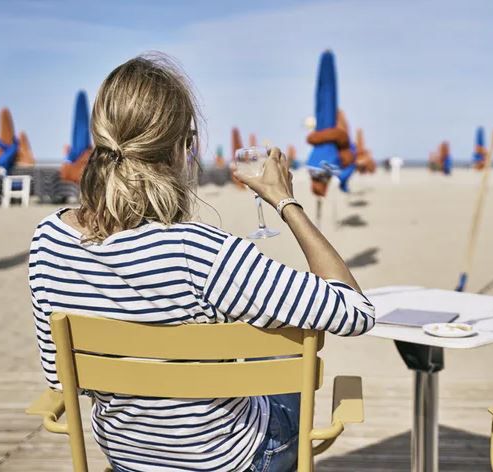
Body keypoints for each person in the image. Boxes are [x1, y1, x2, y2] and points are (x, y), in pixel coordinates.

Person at [28, 54, 375, 472]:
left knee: (265, 360)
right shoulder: (200, 252)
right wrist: (285, 201)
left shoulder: (48, 240)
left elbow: (59, 378)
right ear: (183, 146)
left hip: (128, 459)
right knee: (282, 362)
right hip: (233, 461)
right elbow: (355, 311)